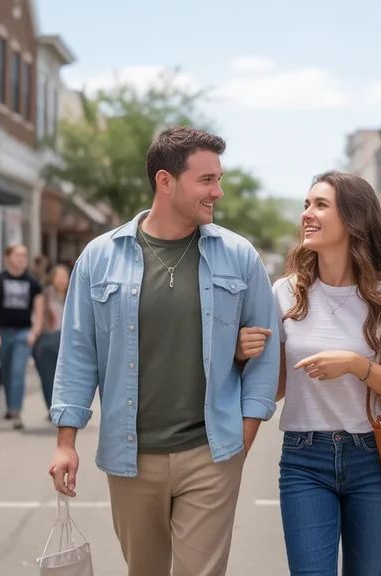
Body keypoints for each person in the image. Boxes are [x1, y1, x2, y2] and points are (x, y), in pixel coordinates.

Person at [48, 126, 280, 576]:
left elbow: (265, 354)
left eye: (218, 179)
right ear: (165, 181)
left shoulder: (239, 256)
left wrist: (244, 436)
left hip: (211, 453)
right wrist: (65, 442)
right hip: (131, 456)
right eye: (206, 180)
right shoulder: (99, 258)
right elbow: (77, 353)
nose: (218, 191)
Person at [236, 171, 381, 575]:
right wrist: (241, 357)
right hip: (304, 459)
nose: (307, 213)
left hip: (373, 458)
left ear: (353, 219)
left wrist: (356, 366)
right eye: (306, 205)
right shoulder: (286, 293)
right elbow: (276, 386)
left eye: (321, 205)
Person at [0, 244, 44, 430]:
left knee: (18, 371)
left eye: (24, 255)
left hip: (23, 333)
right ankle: (10, 406)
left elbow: (39, 311)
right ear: (8, 257)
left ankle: (16, 411)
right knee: (6, 372)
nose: (22, 258)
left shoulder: (33, 282)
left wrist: (34, 332)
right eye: (18, 255)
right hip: (3, 332)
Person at [33, 263, 70, 414]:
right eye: (59, 276)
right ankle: (52, 407)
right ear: (52, 278)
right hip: (48, 339)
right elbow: (37, 316)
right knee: (48, 377)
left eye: (65, 277)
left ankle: (64, 407)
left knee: (67, 378)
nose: (63, 280)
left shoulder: (74, 294)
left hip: (68, 340)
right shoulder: (44, 295)